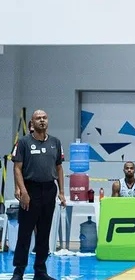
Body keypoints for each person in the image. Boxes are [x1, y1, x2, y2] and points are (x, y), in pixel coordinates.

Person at [10, 110, 66, 280]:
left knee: (44, 232)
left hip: (49, 190)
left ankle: (40, 271)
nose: (42, 120)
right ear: (32, 123)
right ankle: (18, 271)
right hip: (31, 190)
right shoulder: (23, 143)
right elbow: (17, 168)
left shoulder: (56, 142)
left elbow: (59, 168)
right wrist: (23, 191)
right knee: (25, 233)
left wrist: (62, 192)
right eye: (38, 118)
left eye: (44, 118)